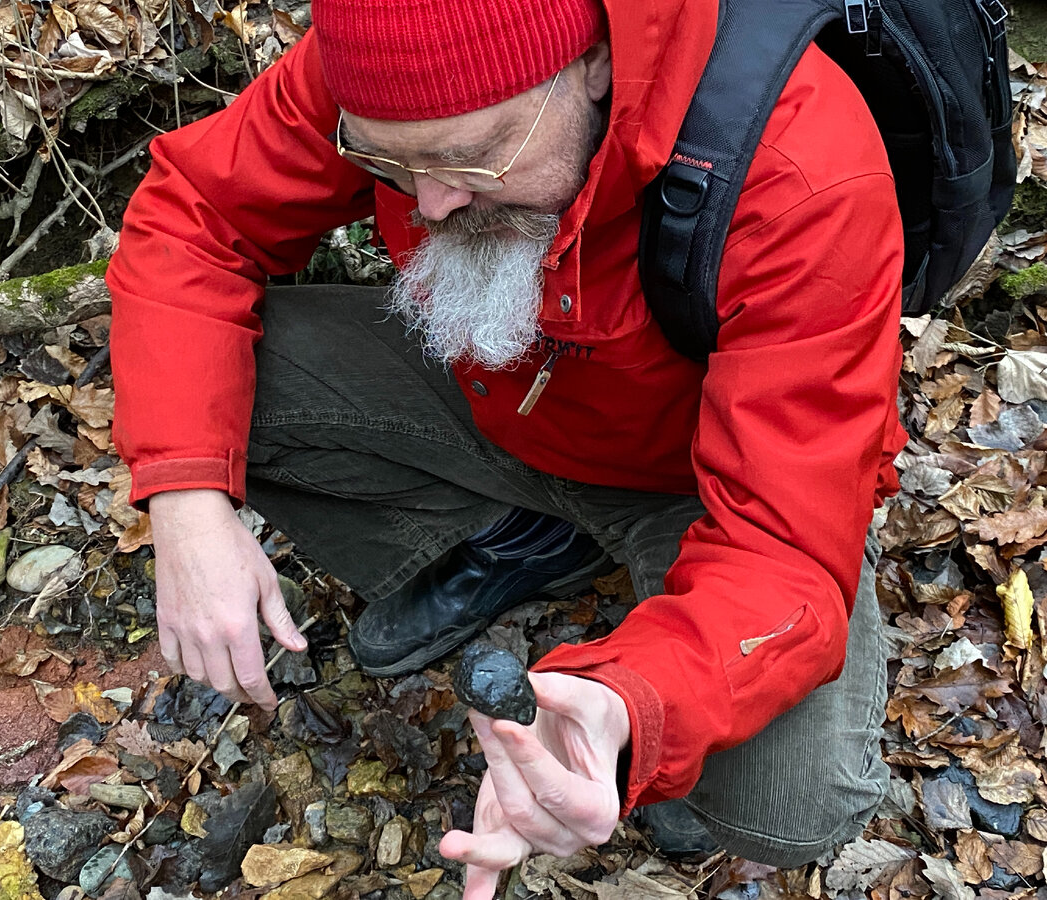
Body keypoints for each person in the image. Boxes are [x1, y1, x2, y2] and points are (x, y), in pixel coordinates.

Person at [107, 0, 906, 894]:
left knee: (786, 807)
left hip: (698, 481)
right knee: (202, 391)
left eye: (470, 155)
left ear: (595, 64)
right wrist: (183, 499)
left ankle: (587, 562)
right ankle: (528, 535)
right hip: (499, 398)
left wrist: (627, 702)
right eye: (388, 161)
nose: (432, 201)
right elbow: (193, 216)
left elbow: (782, 547)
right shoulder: (381, 59)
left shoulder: (800, 170)